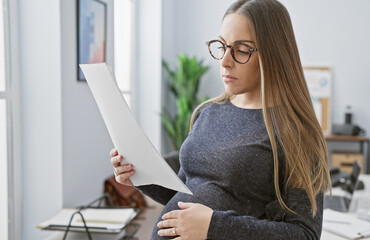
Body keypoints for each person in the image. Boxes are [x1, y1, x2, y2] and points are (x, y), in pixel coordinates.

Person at [110, 0, 330, 239]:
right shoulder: (208, 112)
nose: (225, 61)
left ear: (274, 53)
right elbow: (187, 193)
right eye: (222, 46)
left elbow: (304, 234)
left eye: (241, 49)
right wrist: (140, 176)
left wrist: (213, 226)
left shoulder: (295, 131)